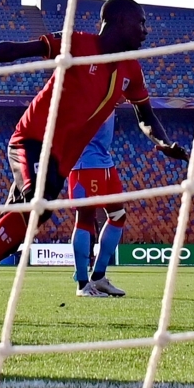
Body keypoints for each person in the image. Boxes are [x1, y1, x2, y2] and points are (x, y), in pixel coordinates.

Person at [0, 0, 188, 321]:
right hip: (31, 140)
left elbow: (145, 115)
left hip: (60, 161)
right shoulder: (77, 44)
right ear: (119, 21)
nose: (146, 31)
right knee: (39, 205)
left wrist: (163, 142)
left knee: (21, 231)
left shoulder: (132, 69)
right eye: (141, 22)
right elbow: (18, 50)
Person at [68, 113, 126, 297]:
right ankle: (83, 284)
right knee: (85, 217)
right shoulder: (87, 87)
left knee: (118, 215)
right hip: (86, 162)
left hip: (105, 161)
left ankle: (99, 277)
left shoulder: (108, 86)